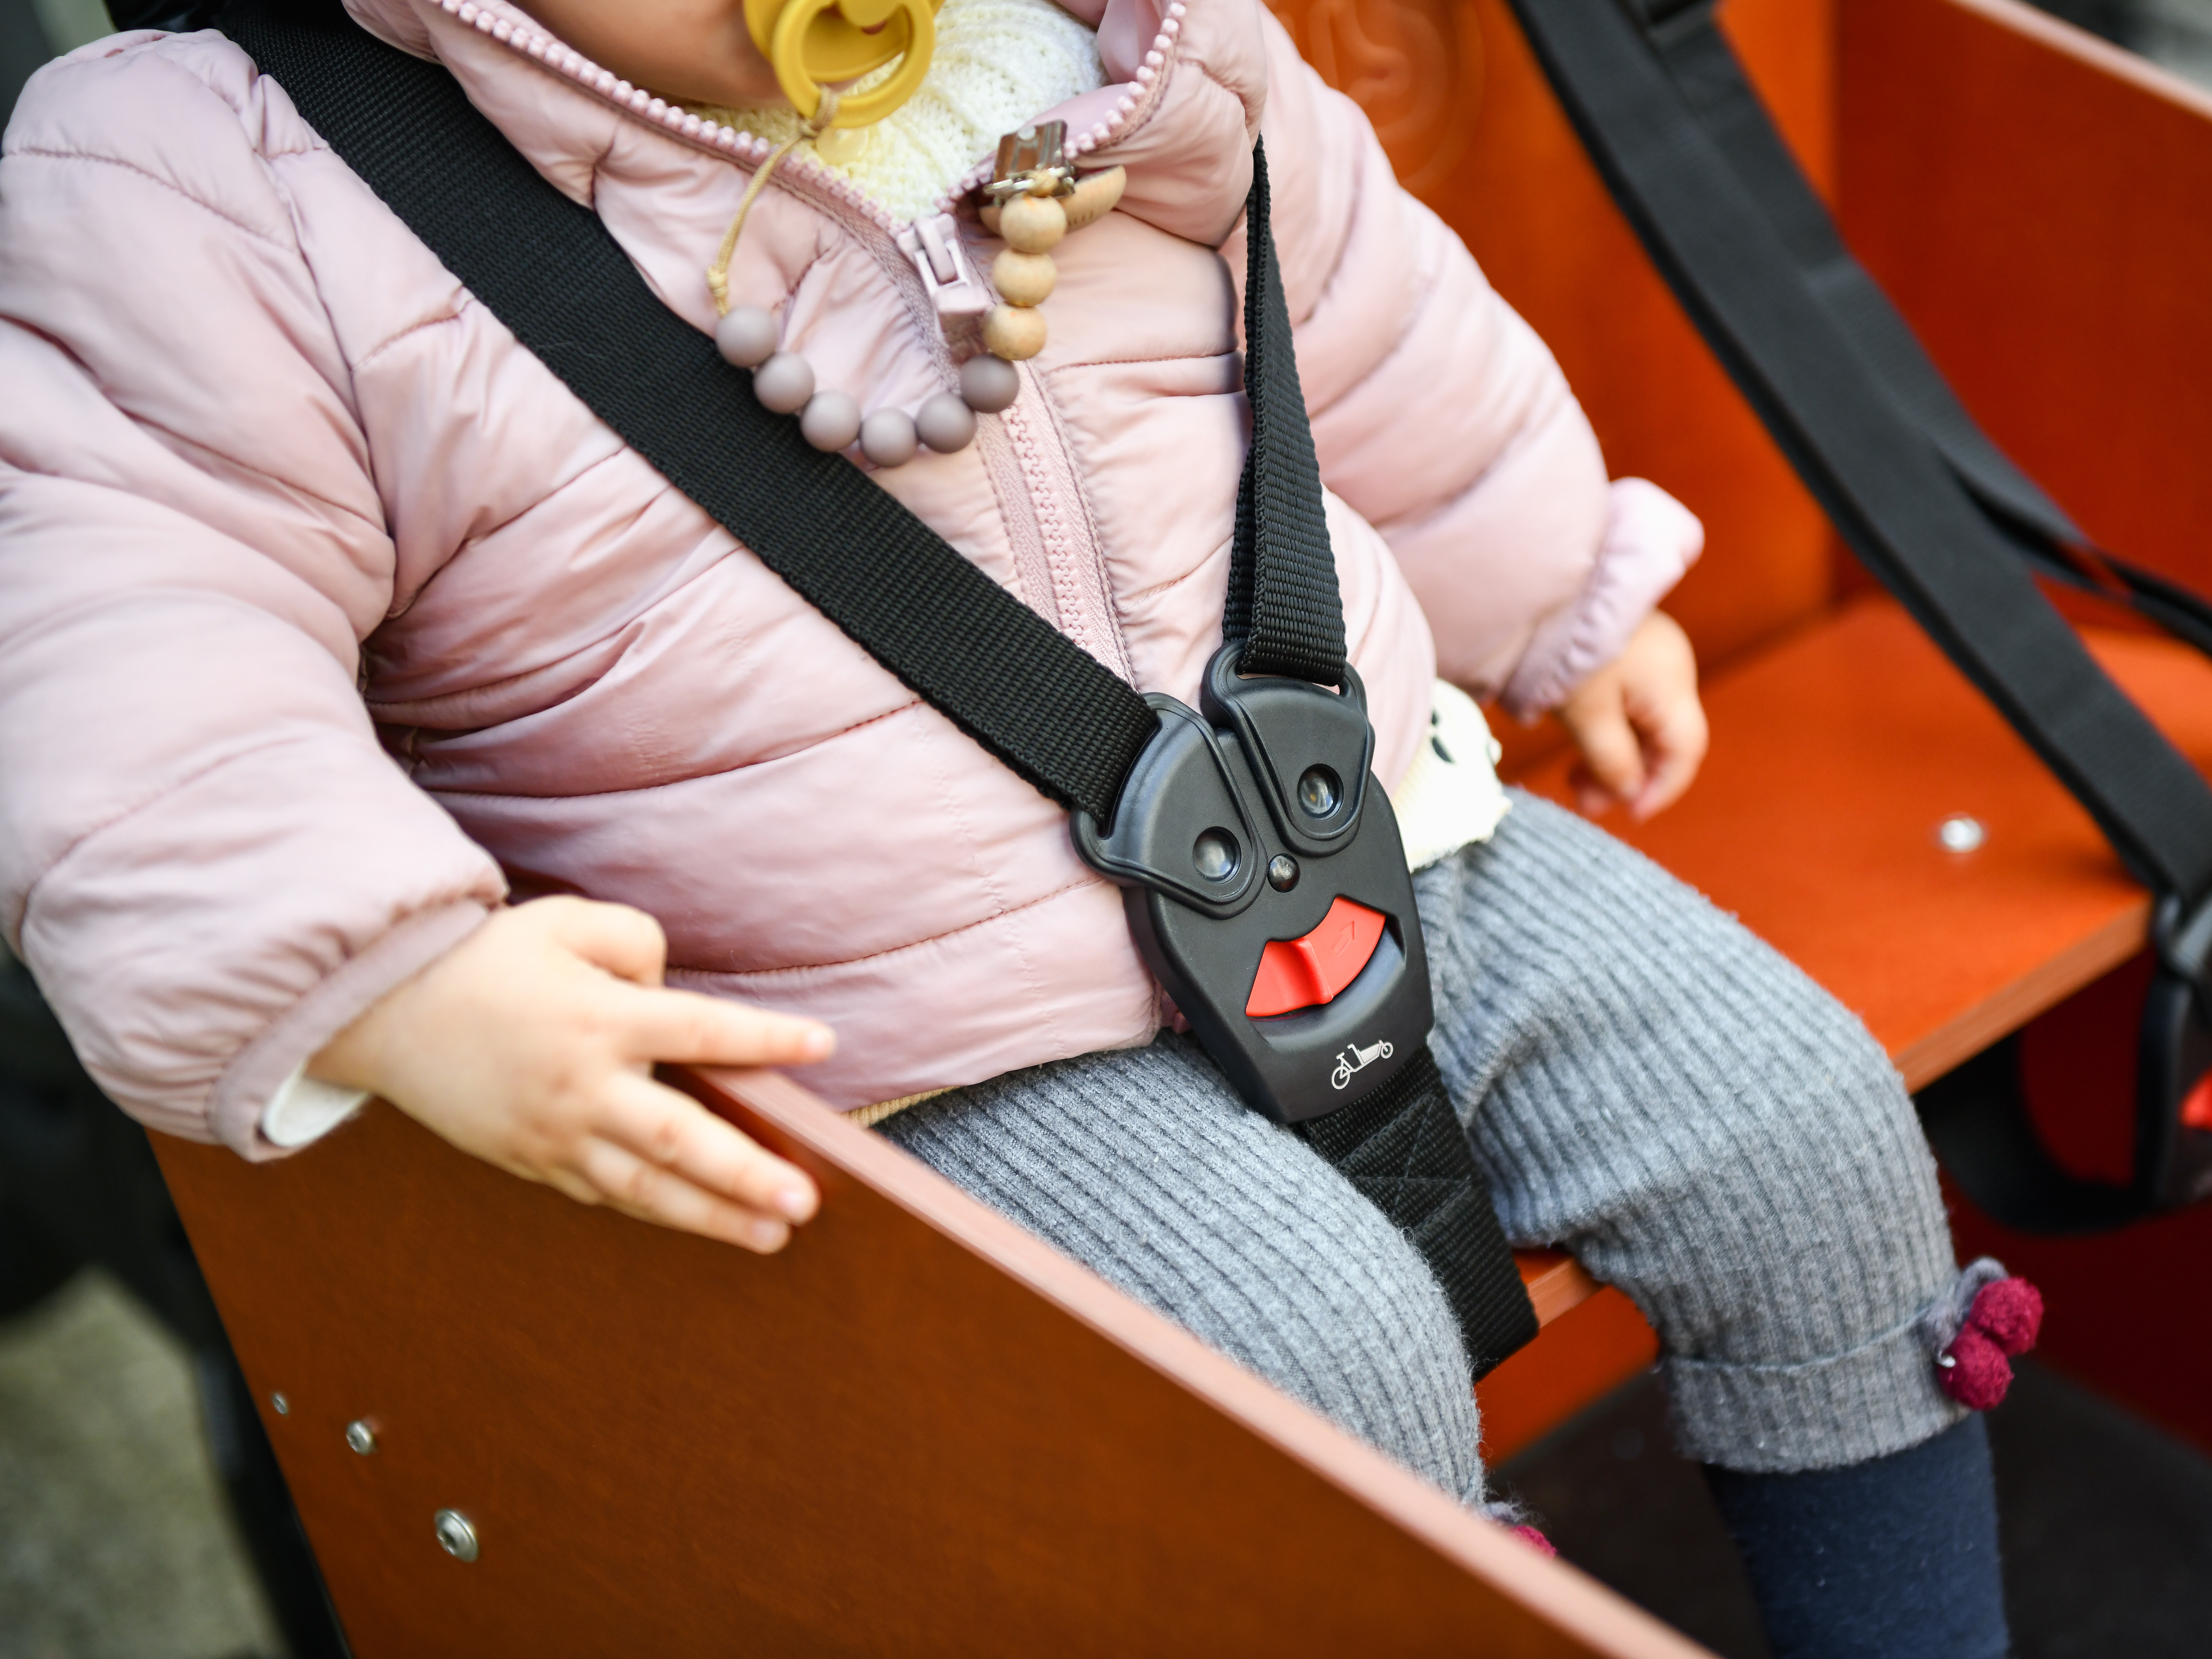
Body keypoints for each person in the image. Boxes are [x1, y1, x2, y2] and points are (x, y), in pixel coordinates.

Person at [0, 0, 2025, 1651]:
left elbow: (1347, 295)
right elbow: (123, 633)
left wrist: (1553, 571)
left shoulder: (1099, 35)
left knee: (1803, 1125)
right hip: (901, 1027)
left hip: (1346, 812)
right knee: (1313, 1374)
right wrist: (392, 971)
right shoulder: (208, 180)